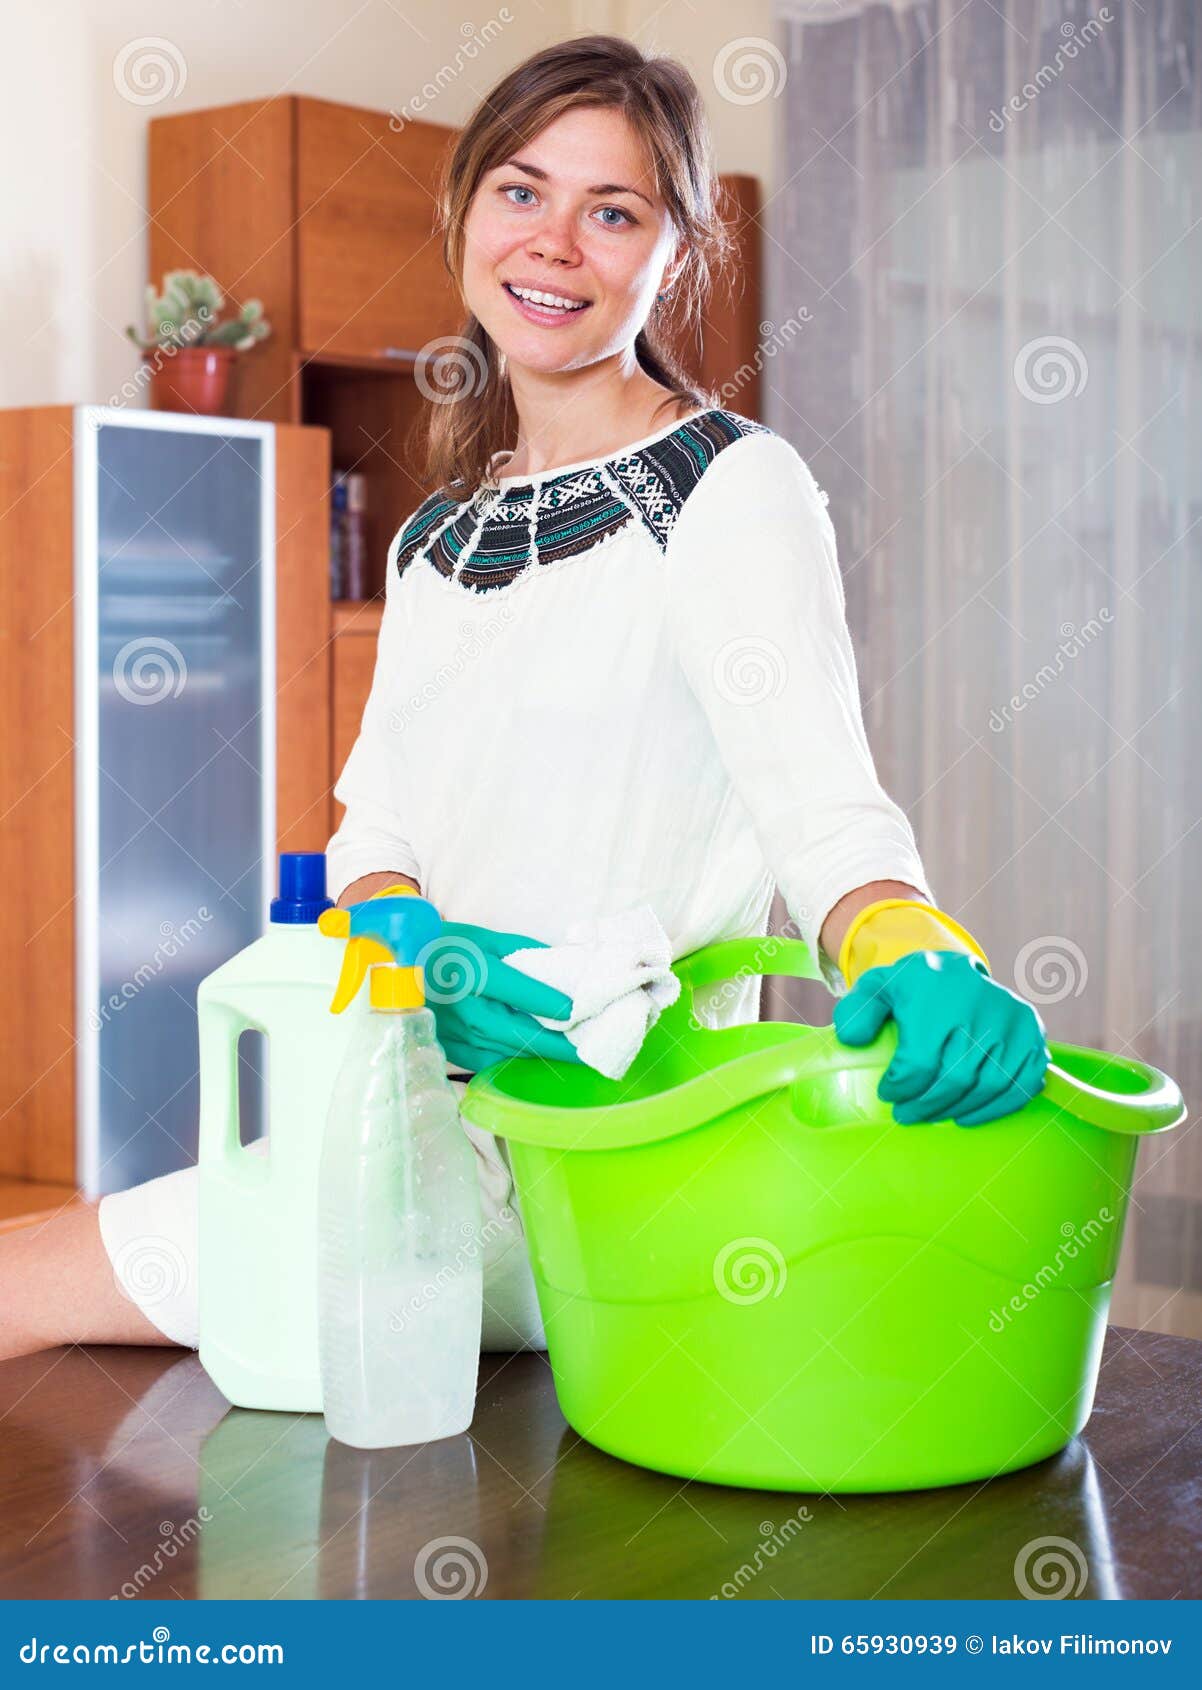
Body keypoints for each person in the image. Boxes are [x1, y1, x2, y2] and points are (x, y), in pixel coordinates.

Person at [0, 35, 1046, 1365]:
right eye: (520, 192)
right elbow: (372, 832)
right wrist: (423, 947)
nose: (555, 243)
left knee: (20, 1291)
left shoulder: (729, 490)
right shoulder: (436, 539)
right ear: (462, 213)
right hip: (410, 1128)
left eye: (610, 211)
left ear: (675, 250)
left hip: (594, 1168)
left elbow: (829, 819)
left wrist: (912, 946)